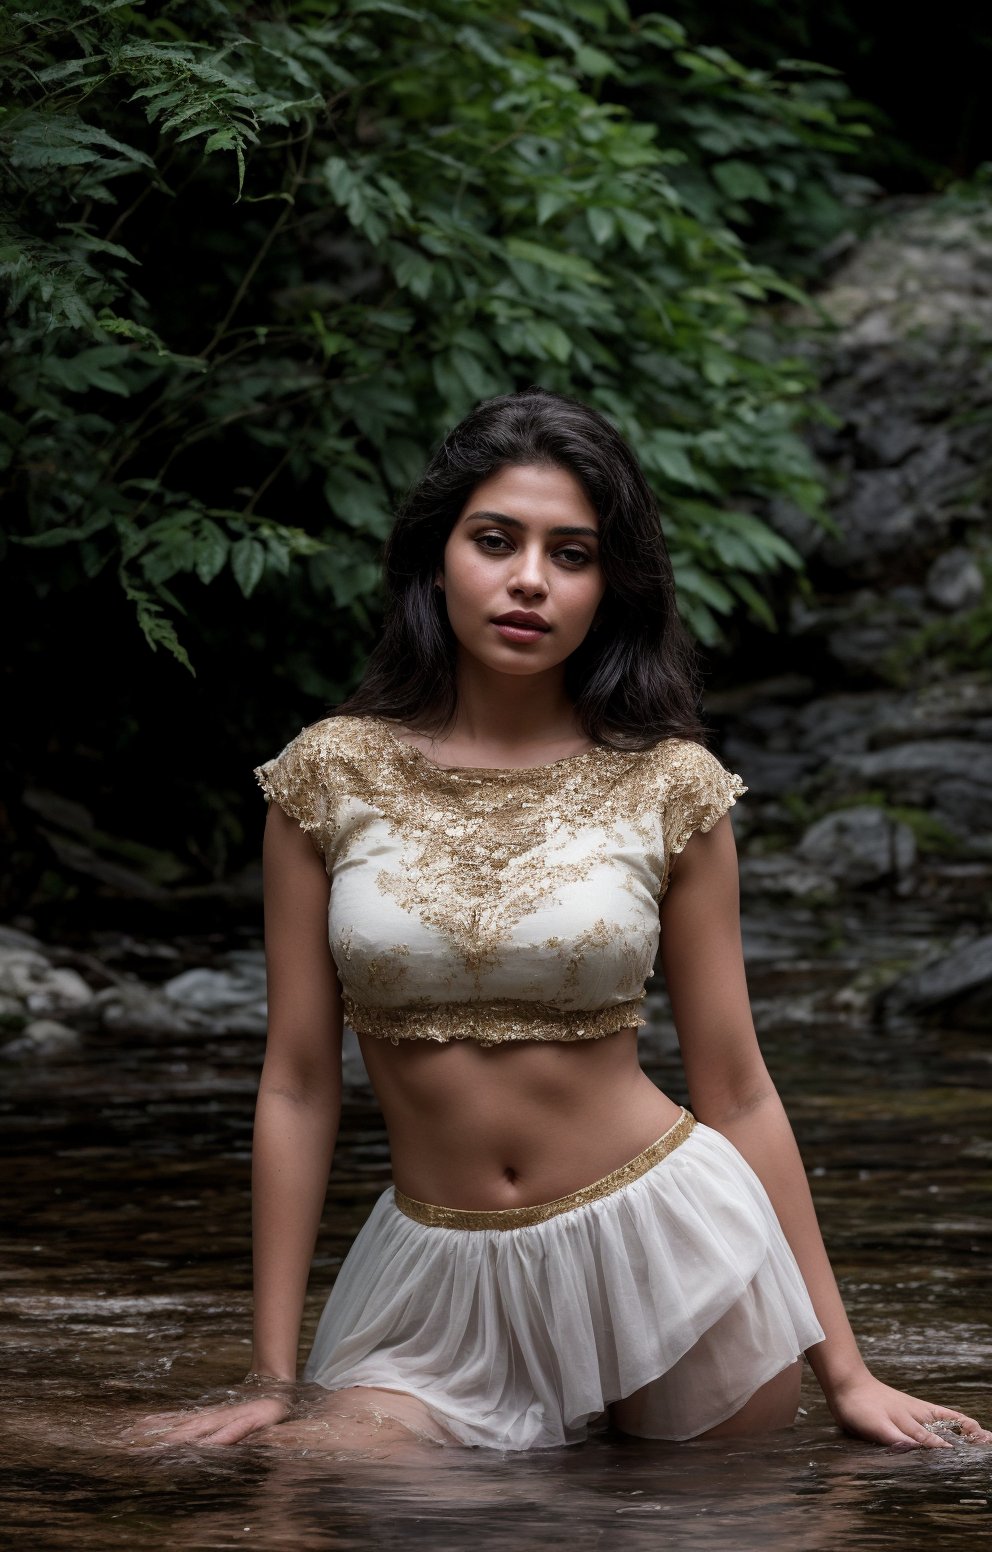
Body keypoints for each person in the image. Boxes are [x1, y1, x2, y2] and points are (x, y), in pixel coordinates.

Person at [142, 388, 987, 1454]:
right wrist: (269, 1375)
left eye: (571, 553)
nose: (529, 579)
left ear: (608, 585)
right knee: (326, 1474)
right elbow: (298, 1083)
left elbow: (736, 1089)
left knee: (679, 1531)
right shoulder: (327, 775)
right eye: (494, 540)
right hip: (439, 1278)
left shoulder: (669, 787)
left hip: (671, 1250)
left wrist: (848, 1370)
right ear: (435, 556)